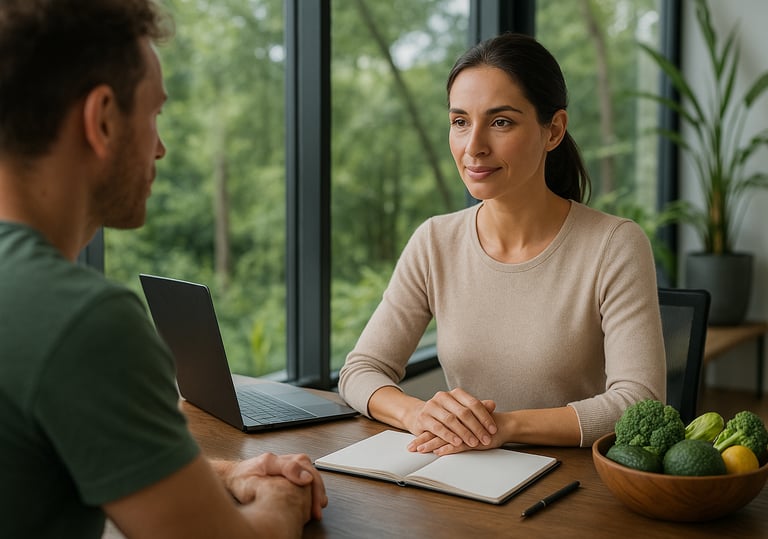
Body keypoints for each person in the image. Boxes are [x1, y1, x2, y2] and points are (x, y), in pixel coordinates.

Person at [0, 1, 326, 538]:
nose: (161, 147)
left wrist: (222, 472)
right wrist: (279, 498)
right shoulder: (82, 321)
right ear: (102, 119)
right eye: (153, 115)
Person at [338, 32, 666, 456]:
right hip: (464, 478)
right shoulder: (435, 241)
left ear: (554, 130)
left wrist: (504, 426)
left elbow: (638, 402)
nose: (473, 147)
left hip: (573, 490)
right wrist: (417, 415)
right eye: (460, 122)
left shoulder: (615, 245)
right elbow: (361, 370)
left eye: (500, 122)